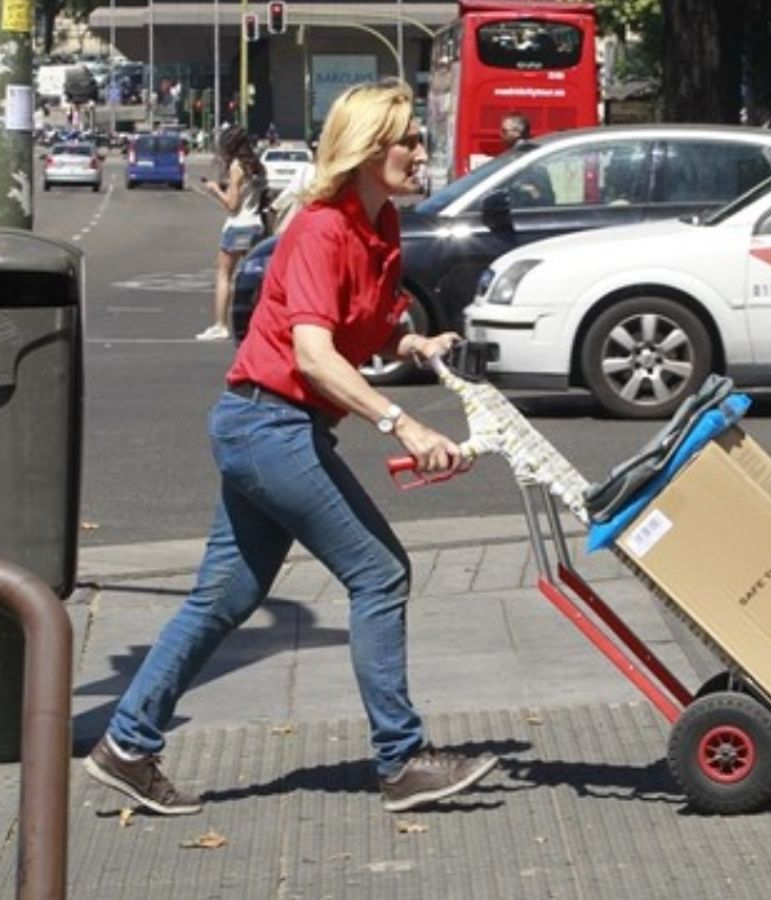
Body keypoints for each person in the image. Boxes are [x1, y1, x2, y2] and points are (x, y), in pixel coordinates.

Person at [83, 78, 498, 817]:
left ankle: (126, 745)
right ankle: (402, 762)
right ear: (370, 150)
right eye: (407, 140)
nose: (419, 151)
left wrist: (415, 340)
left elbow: (360, 335)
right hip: (266, 425)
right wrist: (402, 423)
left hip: (280, 427)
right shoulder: (319, 230)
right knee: (380, 574)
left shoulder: (380, 230)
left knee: (225, 597)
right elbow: (312, 355)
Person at [195, 127, 268, 341]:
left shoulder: (237, 167)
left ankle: (220, 325)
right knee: (255, 277)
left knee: (224, 274)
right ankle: (260, 322)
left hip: (238, 227)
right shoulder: (257, 166)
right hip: (256, 226)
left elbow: (232, 205)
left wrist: (216, 189)